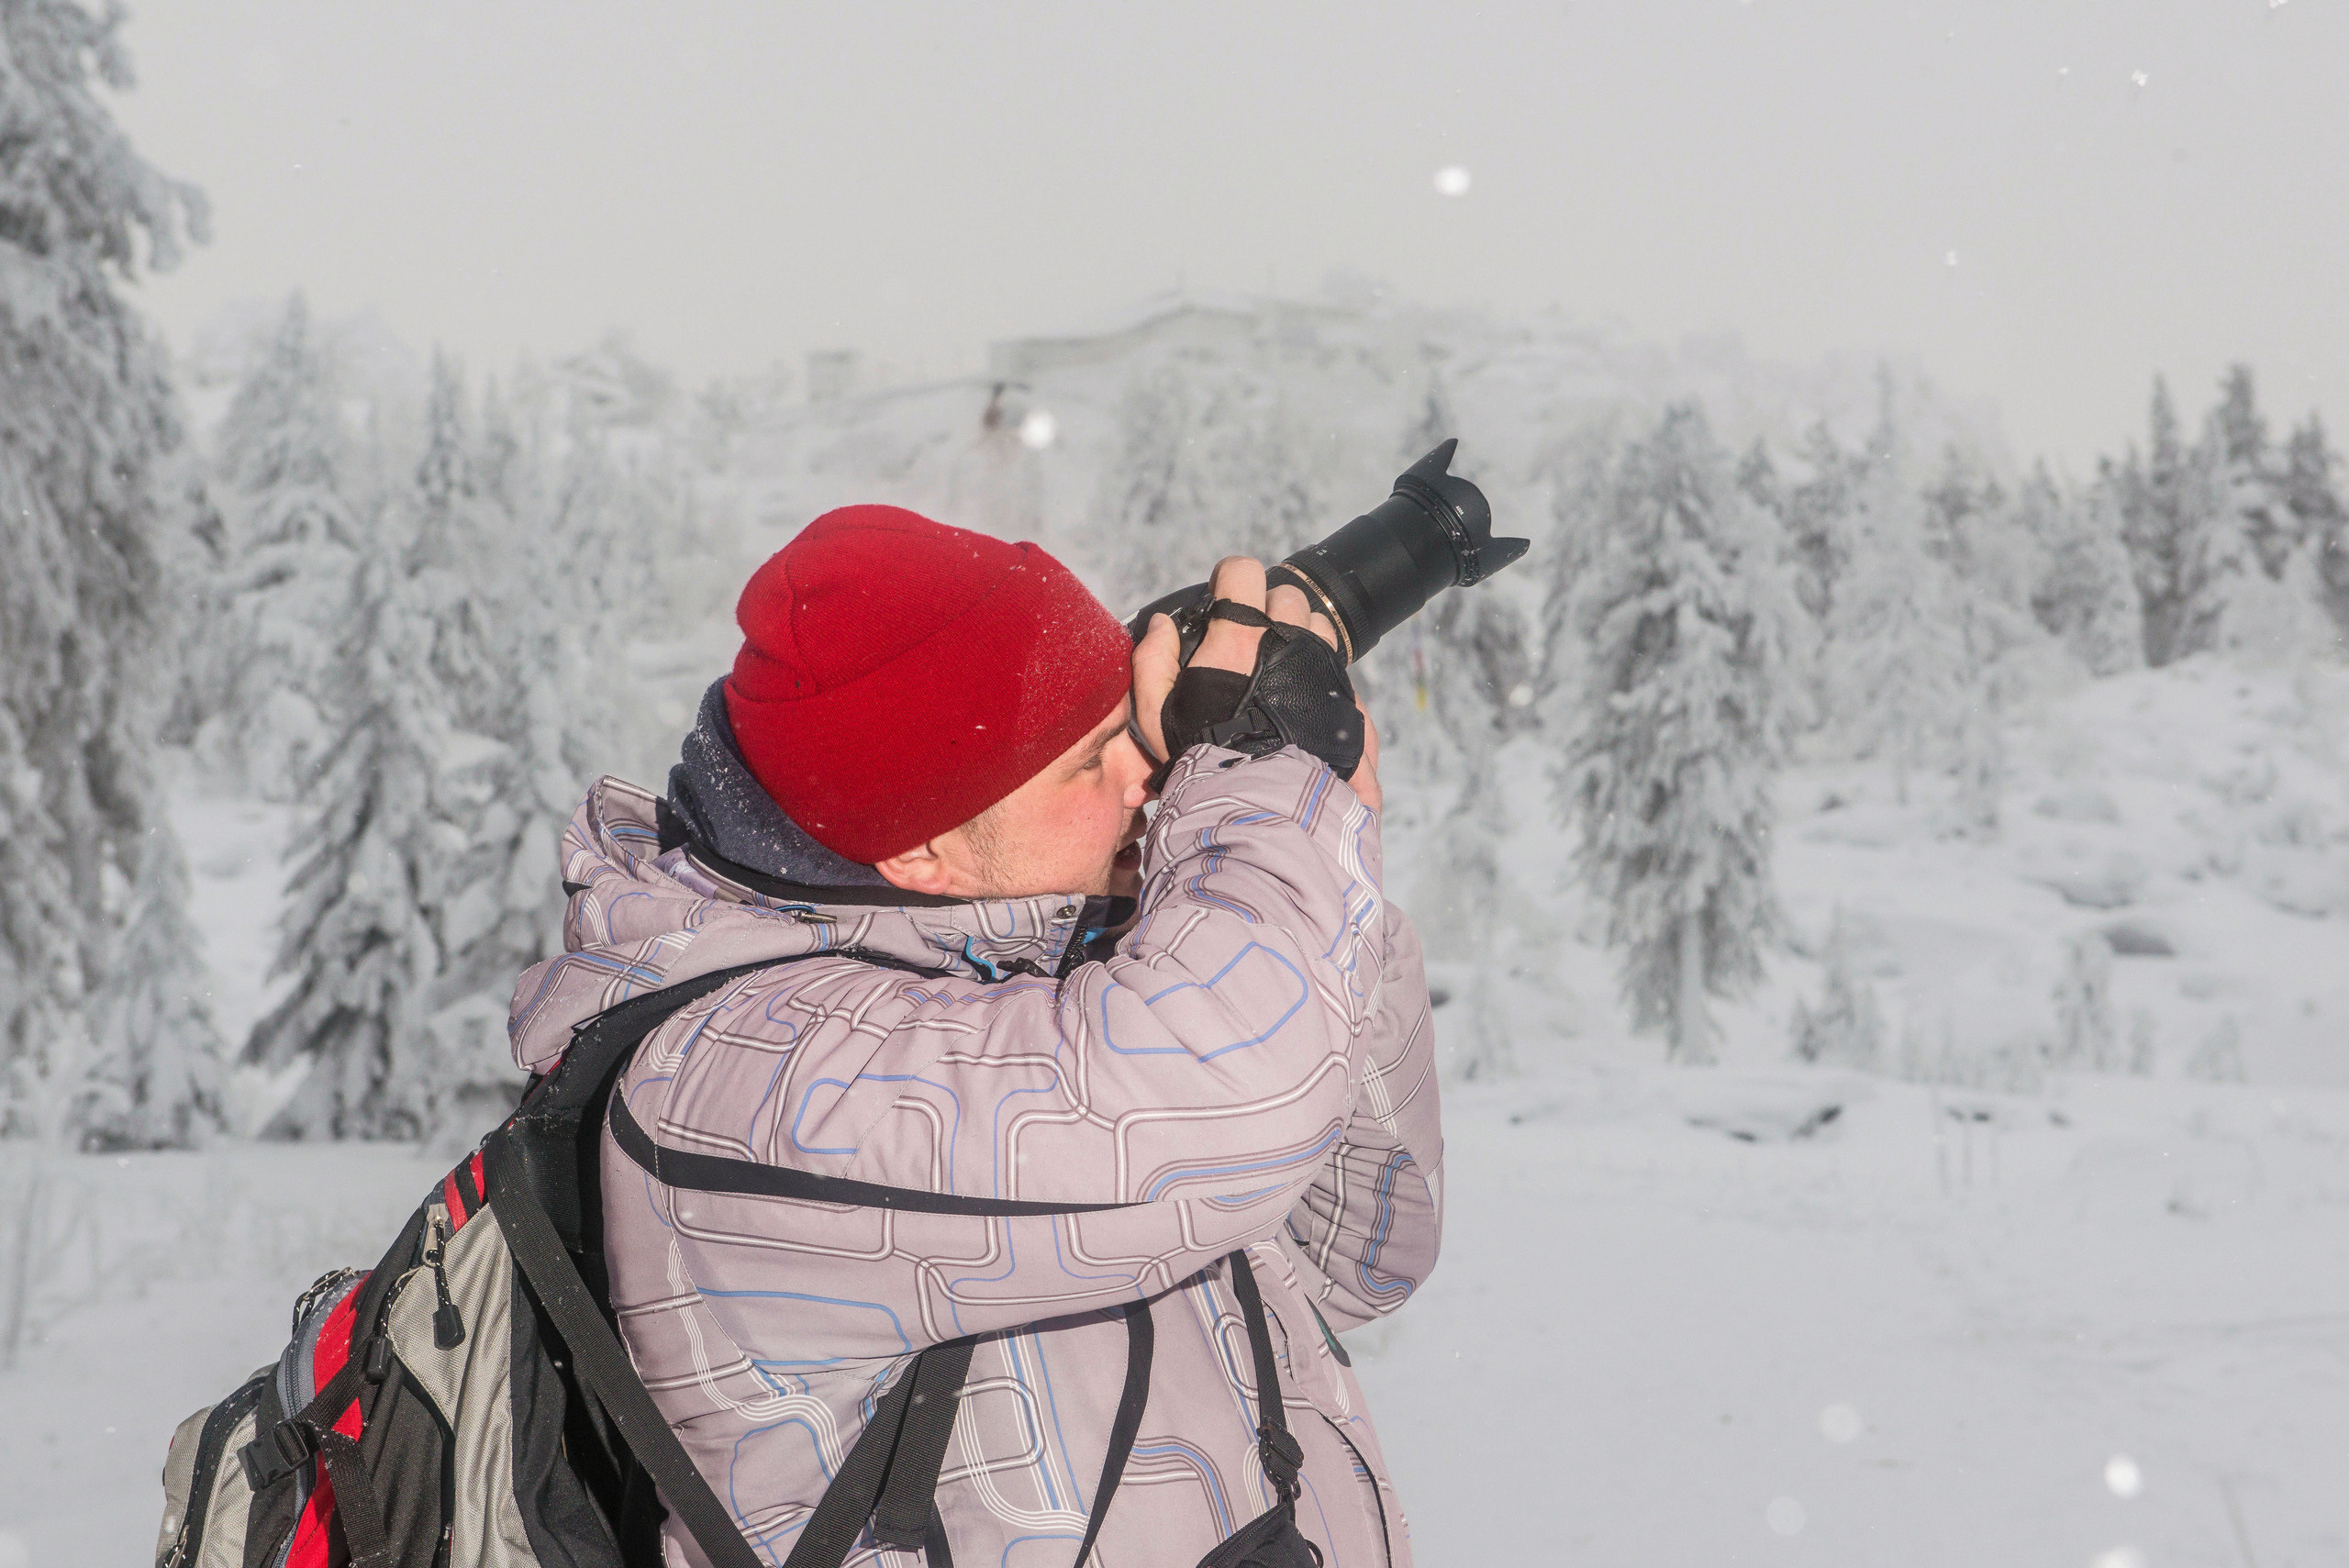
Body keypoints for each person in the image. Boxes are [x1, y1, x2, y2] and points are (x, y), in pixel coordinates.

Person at [506, 504, 1442, 1567]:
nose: (1156, 772)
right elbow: (1238, 1100)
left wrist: (1313, 872)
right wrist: (1268, 803)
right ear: (922, 854)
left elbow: (1350, 1254)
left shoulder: (1056, 975)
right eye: (1097, 758)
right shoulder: (743, 1083)